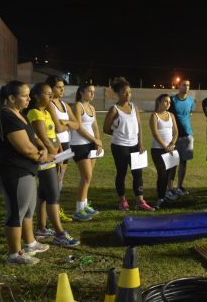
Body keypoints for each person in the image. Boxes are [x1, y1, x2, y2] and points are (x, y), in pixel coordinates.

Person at [0, 81, 52, 264]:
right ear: (11, 98)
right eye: (25, 96)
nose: (29, 99)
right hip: (14, 172)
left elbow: (32, 137)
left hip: (26, 169)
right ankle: (14, 254)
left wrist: (43, 149)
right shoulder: (7, 117)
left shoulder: (19, 114)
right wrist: (40, 156)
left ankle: (30, 243)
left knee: (28, 210)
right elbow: (25, 148)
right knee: (16, 212)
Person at [25, 83, 80, 247]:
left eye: (51, 93)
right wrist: (54, 154)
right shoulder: (35, 113)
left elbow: (54, 133)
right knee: (53, 195)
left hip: (54, 156)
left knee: (43, 194)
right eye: (46, 93)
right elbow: (42, 137)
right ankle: (59, 234)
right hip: (46, 159)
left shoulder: (46, 112)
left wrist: (60, 149)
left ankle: (41, 228)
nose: (50, 96)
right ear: (37, 96)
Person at [103, 77, 154, 211]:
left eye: (129, 92)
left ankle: (140, 201)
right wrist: (118, 133)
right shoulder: (114, 109)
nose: (128, 95)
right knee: (122, 173)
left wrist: (140, 143)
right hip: (120, 146)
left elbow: (139, 126)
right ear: (118, 93)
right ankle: (123, 201)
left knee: (138, 173)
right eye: (124, 92)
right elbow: (105, 128)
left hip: (135, 145)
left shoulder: (133, 107)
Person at [45, 76, 79, 222]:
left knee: (60, 179)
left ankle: (55, 210)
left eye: (63, 87)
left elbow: (77, 124)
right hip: (54, 145)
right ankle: (49, 213)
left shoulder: (64, 104)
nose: (62, 90)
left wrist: (66, 123)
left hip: (66, 145)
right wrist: (67, 124)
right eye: (59, 87)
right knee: (52, 181)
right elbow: (58, 128)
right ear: (51, 88)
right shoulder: (49, 104)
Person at [69, 83, 103, 221]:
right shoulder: (78, 106)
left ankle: (84, 205)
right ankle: (78, 210)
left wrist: (98, 141)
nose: (92, 94)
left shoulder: (92, 108)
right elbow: (78, 128)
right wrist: (95, 140)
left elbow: (95, 126)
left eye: (93, 92)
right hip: (79, 145)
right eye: (89, 91)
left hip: (91, 144)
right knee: (86, 176)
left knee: (88, 177)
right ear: (82, 92)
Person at [150, 94, 179, 209]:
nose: (168, 104)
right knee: (162, 174)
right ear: (159, 102)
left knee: (169, 174)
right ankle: (160, 198)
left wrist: (171, 144)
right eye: (166, 101)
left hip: (171, 149)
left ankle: (165, 195)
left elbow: (176, 132)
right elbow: (155, 133)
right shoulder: (154, 116)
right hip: (158, 150)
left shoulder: (171, 115)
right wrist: (164, 146)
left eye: (169, 102)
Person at [168, 79, 195, 196]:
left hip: (187, 135)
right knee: (173, 163)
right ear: (179, 86)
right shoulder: (172, 100)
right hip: (174, 136)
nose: (186, 87)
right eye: (184, 85)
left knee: (183, 162)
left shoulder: (191, 101)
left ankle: (179, 187)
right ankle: (170, 187)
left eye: (188, 85)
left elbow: (189, 115)